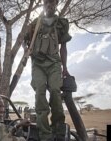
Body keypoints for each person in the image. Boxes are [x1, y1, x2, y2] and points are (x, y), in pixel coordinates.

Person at [24, 0, 72, 140]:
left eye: (53, 3)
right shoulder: (35, 23)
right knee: (40, 92)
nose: (50, 5)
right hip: (38, 63)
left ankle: (58, 128)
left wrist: (65, 69)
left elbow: (63, 46)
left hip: (54, 63)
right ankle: (44, 134)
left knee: (56, 91)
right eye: (47, 3)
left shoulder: (61, 23)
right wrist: (27, 49)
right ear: (43, 5)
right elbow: (25, 41)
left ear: (56, 5)